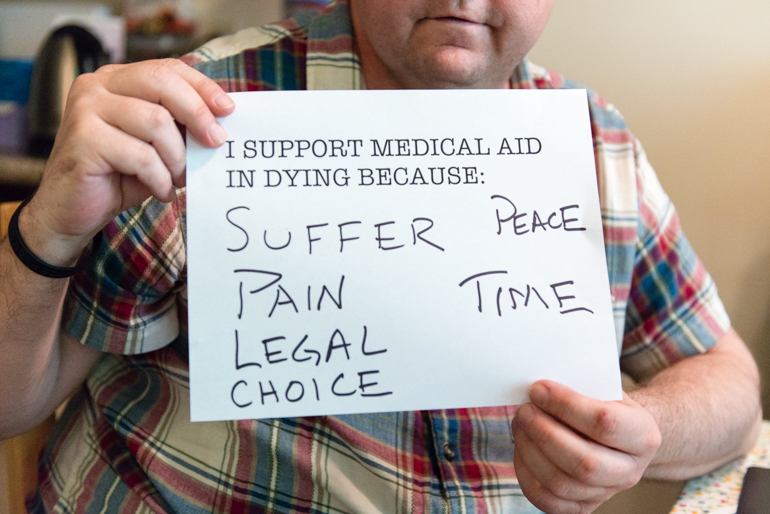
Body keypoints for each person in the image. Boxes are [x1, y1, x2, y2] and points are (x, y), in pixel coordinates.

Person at [0, 0, 762, 512]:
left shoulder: (596, 141)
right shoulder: (200, 114)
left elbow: (729, 384)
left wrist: (646, 427)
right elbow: (11, 407)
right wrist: (52, 227)